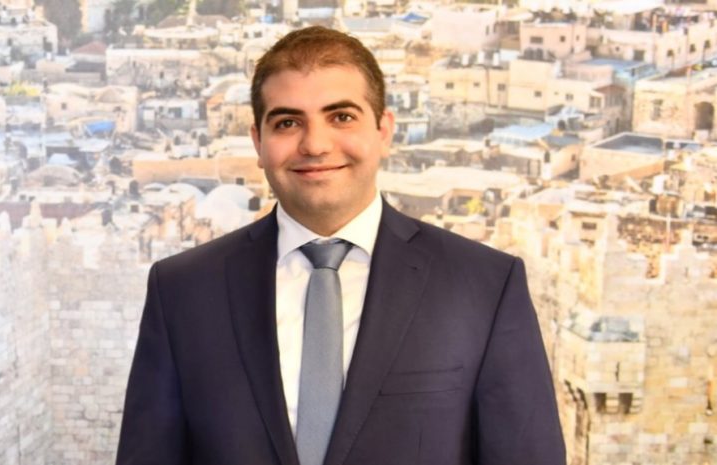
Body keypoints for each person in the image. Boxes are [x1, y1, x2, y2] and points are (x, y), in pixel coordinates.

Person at [116, 26, 566, 465]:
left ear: (384, 130)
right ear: (258, 142)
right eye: (288, 122)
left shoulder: (484, 286)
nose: (315, 144)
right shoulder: (183, 291)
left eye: (341, 117)